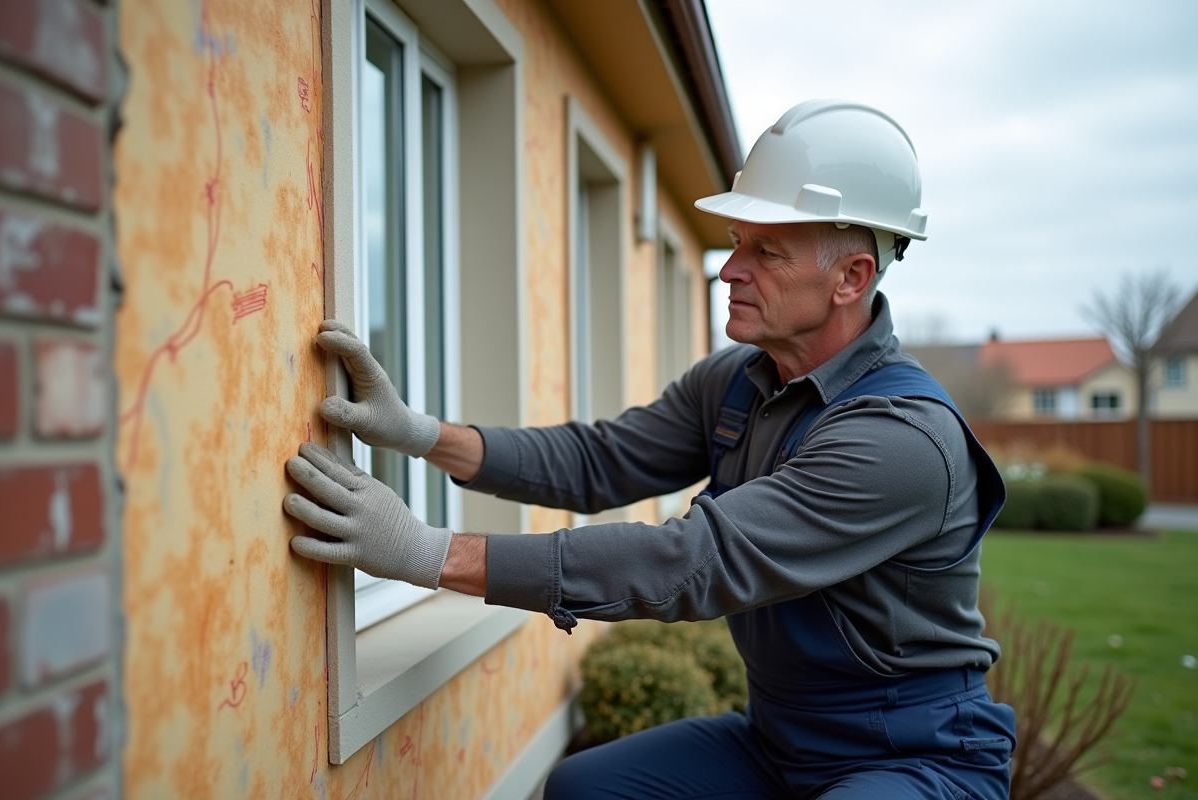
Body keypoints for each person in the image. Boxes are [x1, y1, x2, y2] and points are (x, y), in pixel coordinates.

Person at [282, 100, 1016, 800]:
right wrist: (423, 435)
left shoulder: (901, 441)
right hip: (782, 739)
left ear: (851, 278)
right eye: (736, 245)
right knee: (585, 787)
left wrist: (431, 554)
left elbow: (695, 561)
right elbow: (600, 461)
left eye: (766, 251)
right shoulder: (739, 382)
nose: (730, 270)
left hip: (917, 756)